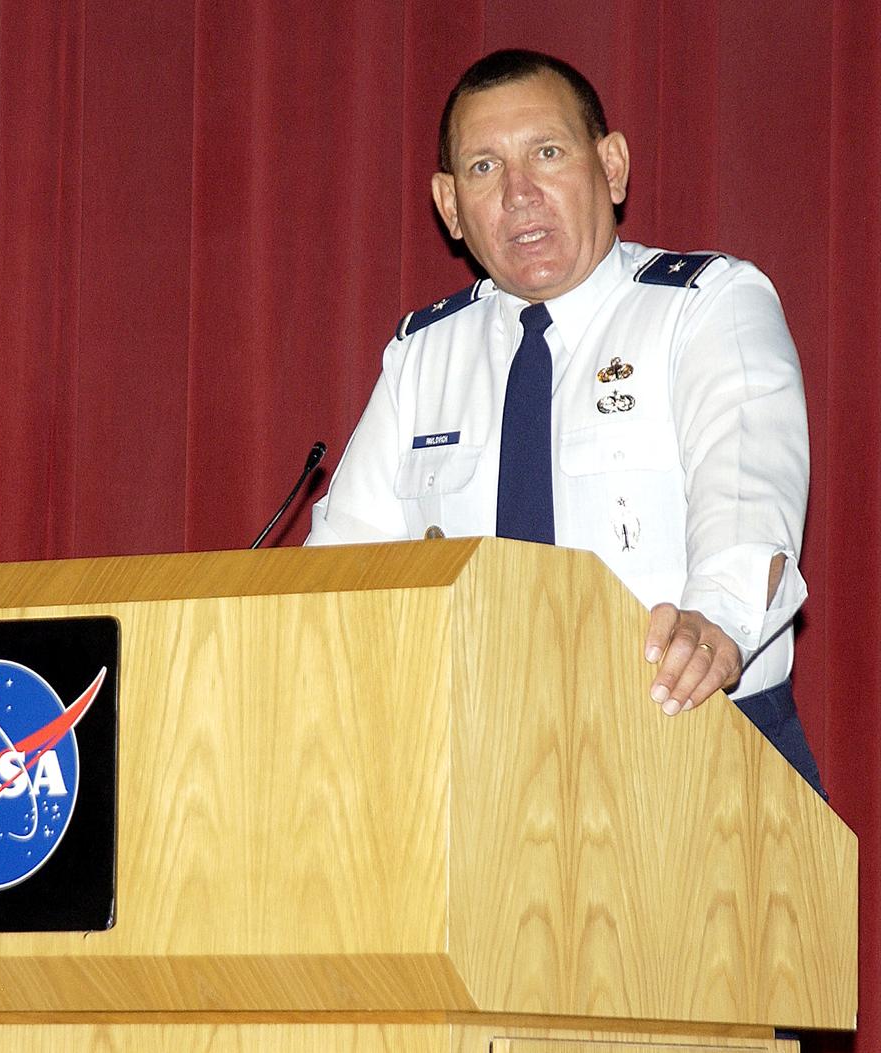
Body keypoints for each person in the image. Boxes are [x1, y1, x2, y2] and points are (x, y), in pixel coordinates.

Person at [305, 49, 825, 798]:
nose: (520, 193)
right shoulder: (422, 357)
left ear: (610, 166)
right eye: (484, 168)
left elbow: (747, 501)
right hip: (479, 770)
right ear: (449, 206)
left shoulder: (707, 306)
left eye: (547, 153)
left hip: (693, 742)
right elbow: (340, 572)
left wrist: (716, 624)